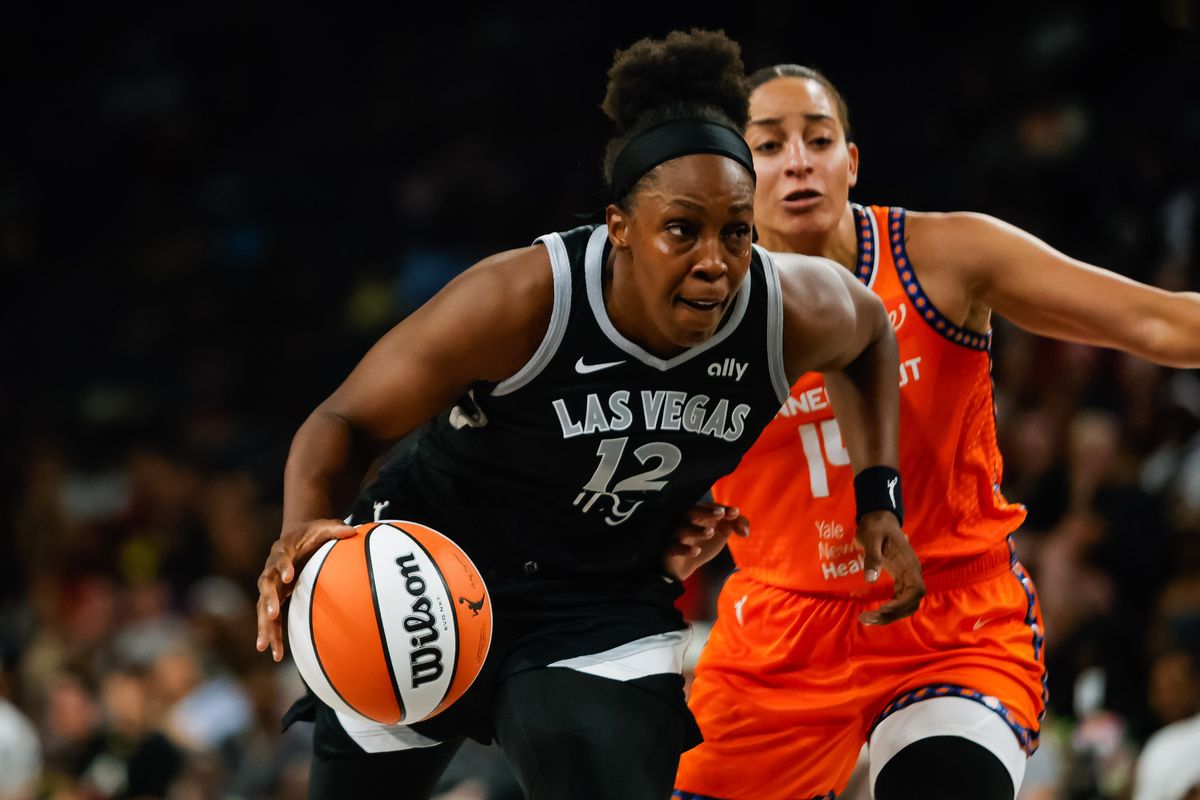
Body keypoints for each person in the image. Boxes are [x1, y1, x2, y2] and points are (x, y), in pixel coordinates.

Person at [254, 34, 923, 800]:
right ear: (620, 225)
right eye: (683, 229)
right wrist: (305, 532)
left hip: (596, 600)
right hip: (432, 570)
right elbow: (343, 422)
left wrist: (878, 498)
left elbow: (872, 331)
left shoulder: (786, 308)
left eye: (737, 231)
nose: (715, 259)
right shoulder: (522, 298)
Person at [672, 64, 1200, 800]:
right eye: (768, 145)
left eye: (818, 139)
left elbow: (1159, 320)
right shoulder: (689, 310)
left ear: (849, 163)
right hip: (779, 636)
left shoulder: (943, 259)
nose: (798, 159)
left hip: (948, 618)